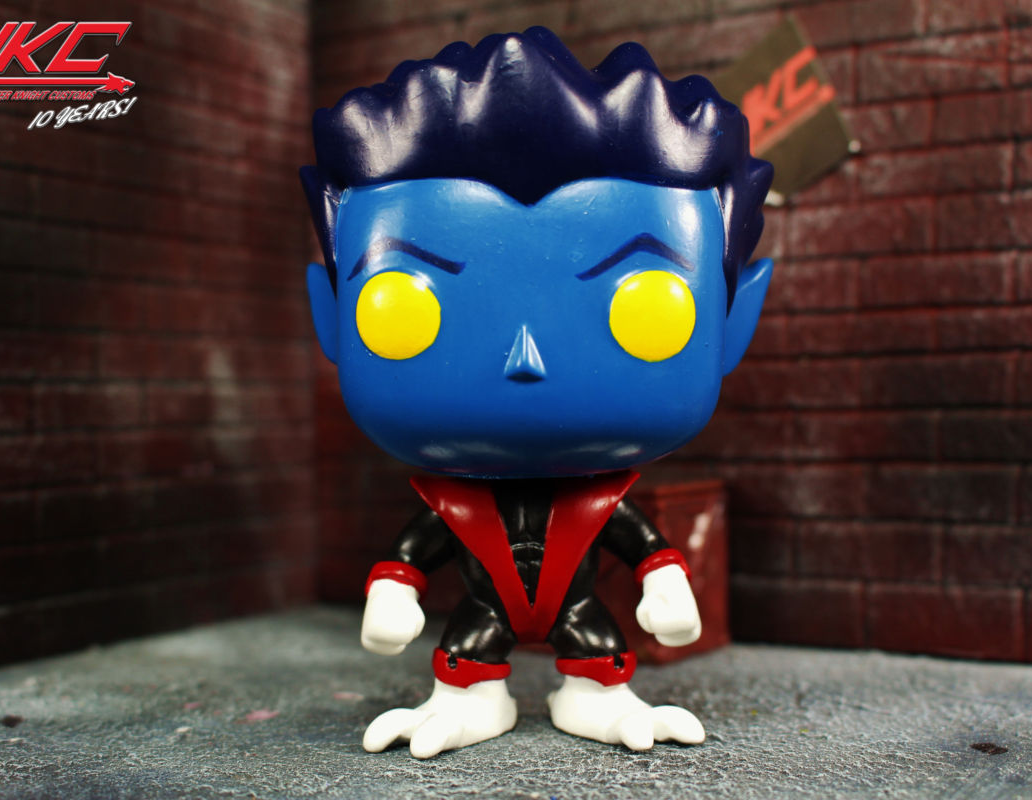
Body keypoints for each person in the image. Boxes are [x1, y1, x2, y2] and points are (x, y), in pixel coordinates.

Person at [301, 26, 773, 758]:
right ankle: (467, 697)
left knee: (596, 640)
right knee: (469, 641)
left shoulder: (600, 499)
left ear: (733, 322)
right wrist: (394, 588)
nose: (527, 357)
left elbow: (643, 545)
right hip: (484, 614)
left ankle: (598, 695)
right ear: (331, 317)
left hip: (576, 611)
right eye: (401, 307)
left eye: (650, 306)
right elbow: (414, 551)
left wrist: (664, 583)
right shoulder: (454, 504)